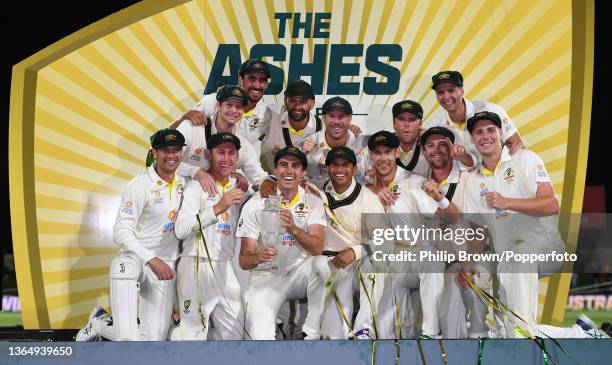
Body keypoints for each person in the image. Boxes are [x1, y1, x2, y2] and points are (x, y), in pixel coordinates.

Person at [458, 111, 608, 338]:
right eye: (478, 131)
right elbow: (479, 228)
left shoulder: (525, 159)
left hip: (545, 249)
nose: (485, 136)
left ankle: (517, 334)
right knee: (510, 323)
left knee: (518, 252)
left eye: (491, 129)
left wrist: (507, 202)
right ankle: (580, 333)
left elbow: (551, 204)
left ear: (500, 133)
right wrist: (469, 262)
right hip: (508, 257)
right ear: (472, 139)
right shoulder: (471, 179)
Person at [77, 129, 188, 341]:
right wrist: (151, 259)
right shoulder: (139, 185)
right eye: (165, 150)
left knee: (151, 341)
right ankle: (120, 344)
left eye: (176, 150)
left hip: (165, 267)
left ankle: (100, 323)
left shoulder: (186, 183)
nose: (171, 155)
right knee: (122, 266)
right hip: (138, 258)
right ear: (154, 152)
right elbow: (120, 231)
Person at [365, 131, 457, 339]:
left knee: (431, 261)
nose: (383, 158)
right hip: (388, 257)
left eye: (388, 152)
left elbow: (452, 216)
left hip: (417, 251)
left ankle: (431, 333)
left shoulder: (415, 182)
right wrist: (373, 189)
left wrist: (438, 196)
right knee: (386, 326)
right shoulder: (366, 186)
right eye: (377, 153)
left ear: (397, 152)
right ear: (370, 155)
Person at [236, 147, 328, 340]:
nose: (289, 171)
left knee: (324, 265)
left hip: (298, 273)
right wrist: (258, 257)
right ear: (275, 170)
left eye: (295, 166)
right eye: (283, 165)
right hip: (266, 276)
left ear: (303, 173)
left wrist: (294, 229)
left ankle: (310, 332)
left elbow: (317, 248)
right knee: (258, 339)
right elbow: (244, 261)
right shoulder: (256, 203)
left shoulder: (313, 200)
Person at [173, 133, 251, 340]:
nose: (226, 159)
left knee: (234, 336)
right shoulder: (195, 186)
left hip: (225, 267)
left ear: (237, 157)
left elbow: (269, 193)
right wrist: (218, 207)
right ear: (209, 154)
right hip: (195, 265)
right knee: (193, 334)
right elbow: (180, 229)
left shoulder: (241, 186)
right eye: (220, 153)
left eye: (231, 153)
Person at [417, 126, 492, 339]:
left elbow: (480, 226)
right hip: (445, 264)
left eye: (443, 144)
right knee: (451, 329)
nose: (436, 149)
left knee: (474, 288)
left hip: (475, 256)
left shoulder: (468, 178)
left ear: (452, 149)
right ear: (424, 151)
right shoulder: (419, 182)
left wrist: (469, 262)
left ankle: (482, 336)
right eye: (430, 145)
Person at [317, 146, 391, 339]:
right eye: (335, 165)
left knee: (376, 264)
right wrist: (268, 180)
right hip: (332, 264)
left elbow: (384, 240)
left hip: (359, 263)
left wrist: (355, 252)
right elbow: (286, 182)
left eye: (346, 165)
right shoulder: (317, 192)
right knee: (333, 335)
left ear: (355, 169)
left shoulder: (368, 199)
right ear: (328, 169)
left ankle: (363, 329)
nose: (340, 169)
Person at [175, 85, 268, 194]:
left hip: (212, 199)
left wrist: (231, 175)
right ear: (218, 106)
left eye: (238, 107)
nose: (233, 110)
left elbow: (259, 177)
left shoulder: (244, 145)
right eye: (228, 105)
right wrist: (195, 171)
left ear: (243, 111)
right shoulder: (191, 128)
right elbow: (165, 161)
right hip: (178, 194)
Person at [172, 59, 274, 148]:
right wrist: (185, 117)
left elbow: (271, 142)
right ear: (240, 80)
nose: (257, 85)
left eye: (262, 80)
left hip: (233, 167)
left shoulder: (266, 114)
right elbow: (175, 131)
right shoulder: (214, 100)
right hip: (199, 163)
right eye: (252, 79)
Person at [426, 70, 524, 159]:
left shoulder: (490, 109)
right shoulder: (434, 125)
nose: (446, 97)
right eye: (440, 93)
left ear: (462, 91)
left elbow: (518, 145)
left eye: (451, 91)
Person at [260, 80, 323, 174]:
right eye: (293, 101)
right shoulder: (271, 114)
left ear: (312, 104)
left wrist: (352, 129)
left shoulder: (322, 126)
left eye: (303, 102)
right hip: (270, 175)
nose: (297, 107)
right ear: (285, 101)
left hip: (305, 181)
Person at [305, 97, 369, 188]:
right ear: (323, 118)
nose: (336, 122)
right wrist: (301, 155)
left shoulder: (362, 144)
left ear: (350, 118)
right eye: (331, 116)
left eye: (341, 116)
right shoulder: (309, 143)